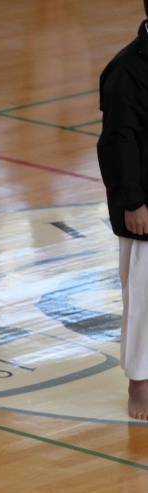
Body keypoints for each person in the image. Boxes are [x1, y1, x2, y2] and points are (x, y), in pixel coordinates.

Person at [98, 2, 148, 421]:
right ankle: (140, 383)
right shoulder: (128, 69)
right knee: (144, 297)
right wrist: (133, 201)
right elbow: (119, 141)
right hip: (145, 203)